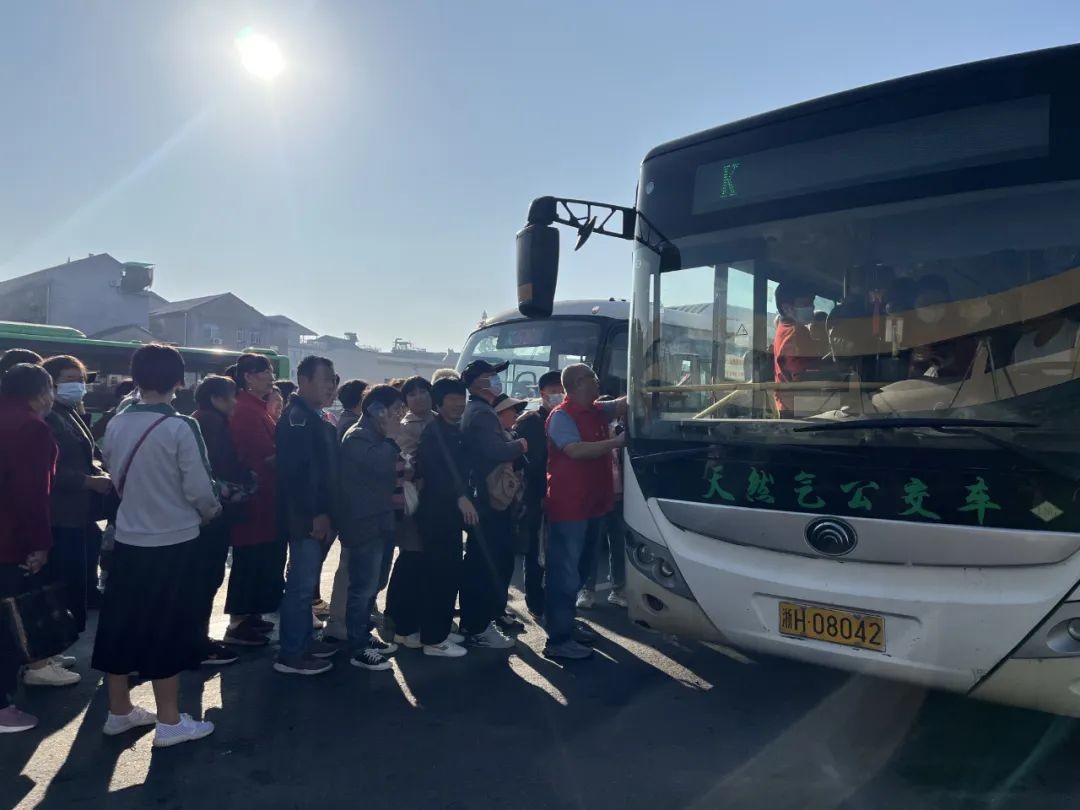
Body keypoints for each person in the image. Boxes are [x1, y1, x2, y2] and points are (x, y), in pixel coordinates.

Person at [92, 344, 221, 747]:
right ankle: (169, 721)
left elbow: (111, 469)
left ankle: (119, 711)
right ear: (179, 380)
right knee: (168, 627)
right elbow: (199, 488)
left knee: (120, 623)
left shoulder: (117, 422)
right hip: (173, 540)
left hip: (128, 536)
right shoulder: (180, 426)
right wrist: (210, 511)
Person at [29, 356, 110, 686]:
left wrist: (96, 471)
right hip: (60, 515)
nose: (77, 385)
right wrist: (88, 481)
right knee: (54, 586)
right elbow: (51, 469)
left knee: (66, 584)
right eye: (67, 379)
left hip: (76, 514)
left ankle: (48, 651)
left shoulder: (67, 413)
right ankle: (39, 660)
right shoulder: (48, 418)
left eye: (80, 378)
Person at [543, 364, 626, 660]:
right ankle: (558, 640)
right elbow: (575, 450)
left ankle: (567, 625)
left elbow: (623, 404)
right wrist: (615, 443)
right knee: (564, 574)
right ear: (579, 383)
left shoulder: (596, 410)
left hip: (593, 504)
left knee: (580, 570)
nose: (598, 382)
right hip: (570, 508)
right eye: (593, 378)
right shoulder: (562, 416)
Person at [274, 356, 341, 675]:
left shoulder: (315, 416)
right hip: (305, 516)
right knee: (300, 587)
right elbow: (298, 475)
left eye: (333, 380)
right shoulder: (298, 419)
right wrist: (317, 513)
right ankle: (291, 653)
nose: (330, 386)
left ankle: (303, 642)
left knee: (305, 581)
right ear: (304, 381)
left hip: (313, 513)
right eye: (325, 379)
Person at [0, 363, 58, 733]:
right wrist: (40, 544)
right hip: (9, 539)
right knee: (7, 623)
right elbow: (32, 494)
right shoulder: (31, 427)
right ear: (40, 392)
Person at [337, 384, 408, 670]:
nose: (399, 416)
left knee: (374, 584)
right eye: (396, 410)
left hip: (381, 520)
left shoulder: (376, 437)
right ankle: (357, 648)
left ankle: (364, 635)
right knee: (362, 588)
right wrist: (392, 439)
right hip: (364, 523)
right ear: (377, 410)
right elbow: (380, 464)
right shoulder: (357, 436)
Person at [459, 360, 527, 649]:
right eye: (490, 376)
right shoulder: (482, 413)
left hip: (482, 498)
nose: (496, 380)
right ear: (477, 382)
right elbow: (495, 451)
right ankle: (479, 626)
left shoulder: (475, 410)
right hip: (489, 500)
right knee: (485, 564)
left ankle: (476, 623)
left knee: (480, 561)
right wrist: (520, 445)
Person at [413, 377, 477, 658]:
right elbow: (436, 474)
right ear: (438, 403)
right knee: (440, 575)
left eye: (461, 398)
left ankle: (439, 630)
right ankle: (434, 639)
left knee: (449, 572)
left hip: (448, 515)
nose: (459, 403)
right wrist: (460, 496)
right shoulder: (434, 433)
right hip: (437, 514)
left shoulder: (453, 430)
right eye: (452, 399)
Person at [192, 375, 252, 667]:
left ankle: (197, 639)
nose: (235, 403)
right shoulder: (212, 423)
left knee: (203, 578)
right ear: (216, 399)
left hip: (203, 513)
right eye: (230, 397)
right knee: (206, 578)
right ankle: (198, 644)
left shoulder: (198, 420)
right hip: (212, 511)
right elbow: (216, 467)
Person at [223, 354, 282, 647]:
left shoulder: (259, 407)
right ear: (247, 376)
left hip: (266, 497)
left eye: (271, 371)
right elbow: (266, 454)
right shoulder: (246, 410)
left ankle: (251, 615)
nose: (271, 377)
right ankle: (238, 622)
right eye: (264, 372)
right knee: (249, 560)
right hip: (254, 498)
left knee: (261, 559)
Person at [386, 377, 438, 649]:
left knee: (420, 561)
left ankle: (406, 617)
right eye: (412, 394)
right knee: (411, 560)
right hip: (414, 503)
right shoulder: (407, 427)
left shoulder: (437, 419)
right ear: (405, 400)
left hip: (433, 504)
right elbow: (404, 464)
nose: (419, 397)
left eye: (423, 391)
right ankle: (401, 620)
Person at [513, 370, 564, 617]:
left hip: (562, 496)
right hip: (536, 497)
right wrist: (539, 493)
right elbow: (527, 463)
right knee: (535, 551)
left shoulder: (566, 419)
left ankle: (555, 598)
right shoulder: (530, 422)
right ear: (542, 393)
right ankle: (535, 600)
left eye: (562, 391)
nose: (558, 395)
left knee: (558, 552)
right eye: (554, 391)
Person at [322, 378, 368, 643]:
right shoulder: (354, 426)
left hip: (344, 505)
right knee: (350, 565)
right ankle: (339, 621)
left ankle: (342, 618)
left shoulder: (343, 421)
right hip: (351, 507)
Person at [577, 399, 628, 609]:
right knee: (592, 544)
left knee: (618, 544)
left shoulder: (620, 437)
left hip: (620, 497)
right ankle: (586, 589)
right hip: (597, 498)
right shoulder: (593, 439)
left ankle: (618, 588)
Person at [772, 282, 820, 418]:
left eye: (812, 303)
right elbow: (802, 374)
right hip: (801, 406)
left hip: (787, 403)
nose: (812, 307)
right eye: (806, 304)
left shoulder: (782, 329)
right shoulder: (797, 331)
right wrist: (837, 369)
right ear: (787, 308)